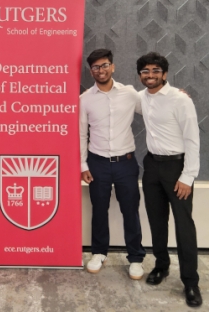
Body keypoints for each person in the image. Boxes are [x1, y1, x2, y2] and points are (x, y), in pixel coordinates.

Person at [137, 52, 202, 308]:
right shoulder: (140, 97)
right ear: (140, 75)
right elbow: (117, 99)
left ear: (164, 74)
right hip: (152, 165)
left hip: (178, 167)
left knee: (184, 225)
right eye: (145, 71)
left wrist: (188, 176)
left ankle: (190, 281)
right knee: (156, 220)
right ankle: (161, 266)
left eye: (155, 71)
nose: (150, 75)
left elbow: (192, 140)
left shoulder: (180, 100)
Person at [80, 49, 145, 279]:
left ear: (113, 66)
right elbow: (81, 135)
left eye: (105, 65)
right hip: (97, 163)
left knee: (130, 210)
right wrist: (83, 165)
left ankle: (136, 257)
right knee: (99, 210)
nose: (101, 70)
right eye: (96, 67)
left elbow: (152, 107)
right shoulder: (85, 99)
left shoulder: (129, 94)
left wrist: (177, 95)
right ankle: (98, 252)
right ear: (91, 71)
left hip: (126, 163)